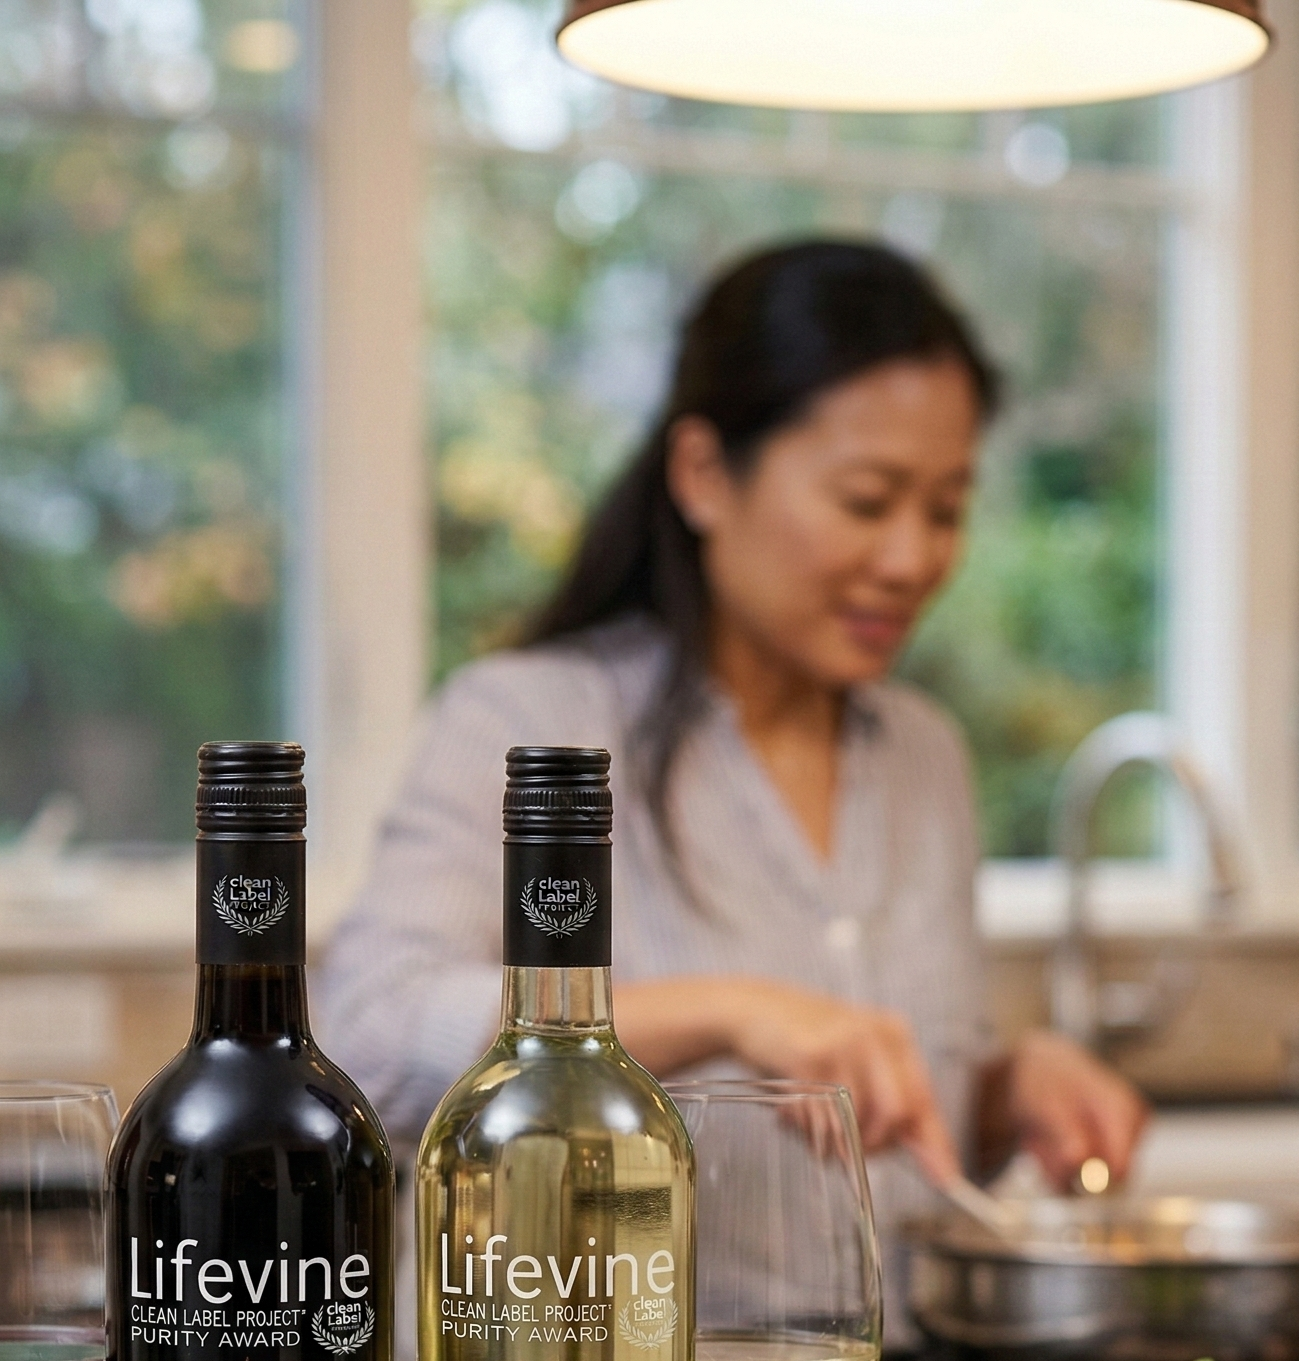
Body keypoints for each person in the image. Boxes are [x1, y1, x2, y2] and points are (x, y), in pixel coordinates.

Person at [320, 238, 1148, 1285]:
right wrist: (729, 1011)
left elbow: (877, 1145)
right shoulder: (531, 723)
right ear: (704, 473)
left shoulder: (922, 757)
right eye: (864, 500)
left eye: (944, 510)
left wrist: (1004, 1086)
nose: (910, 558)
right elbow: (368, 1039)